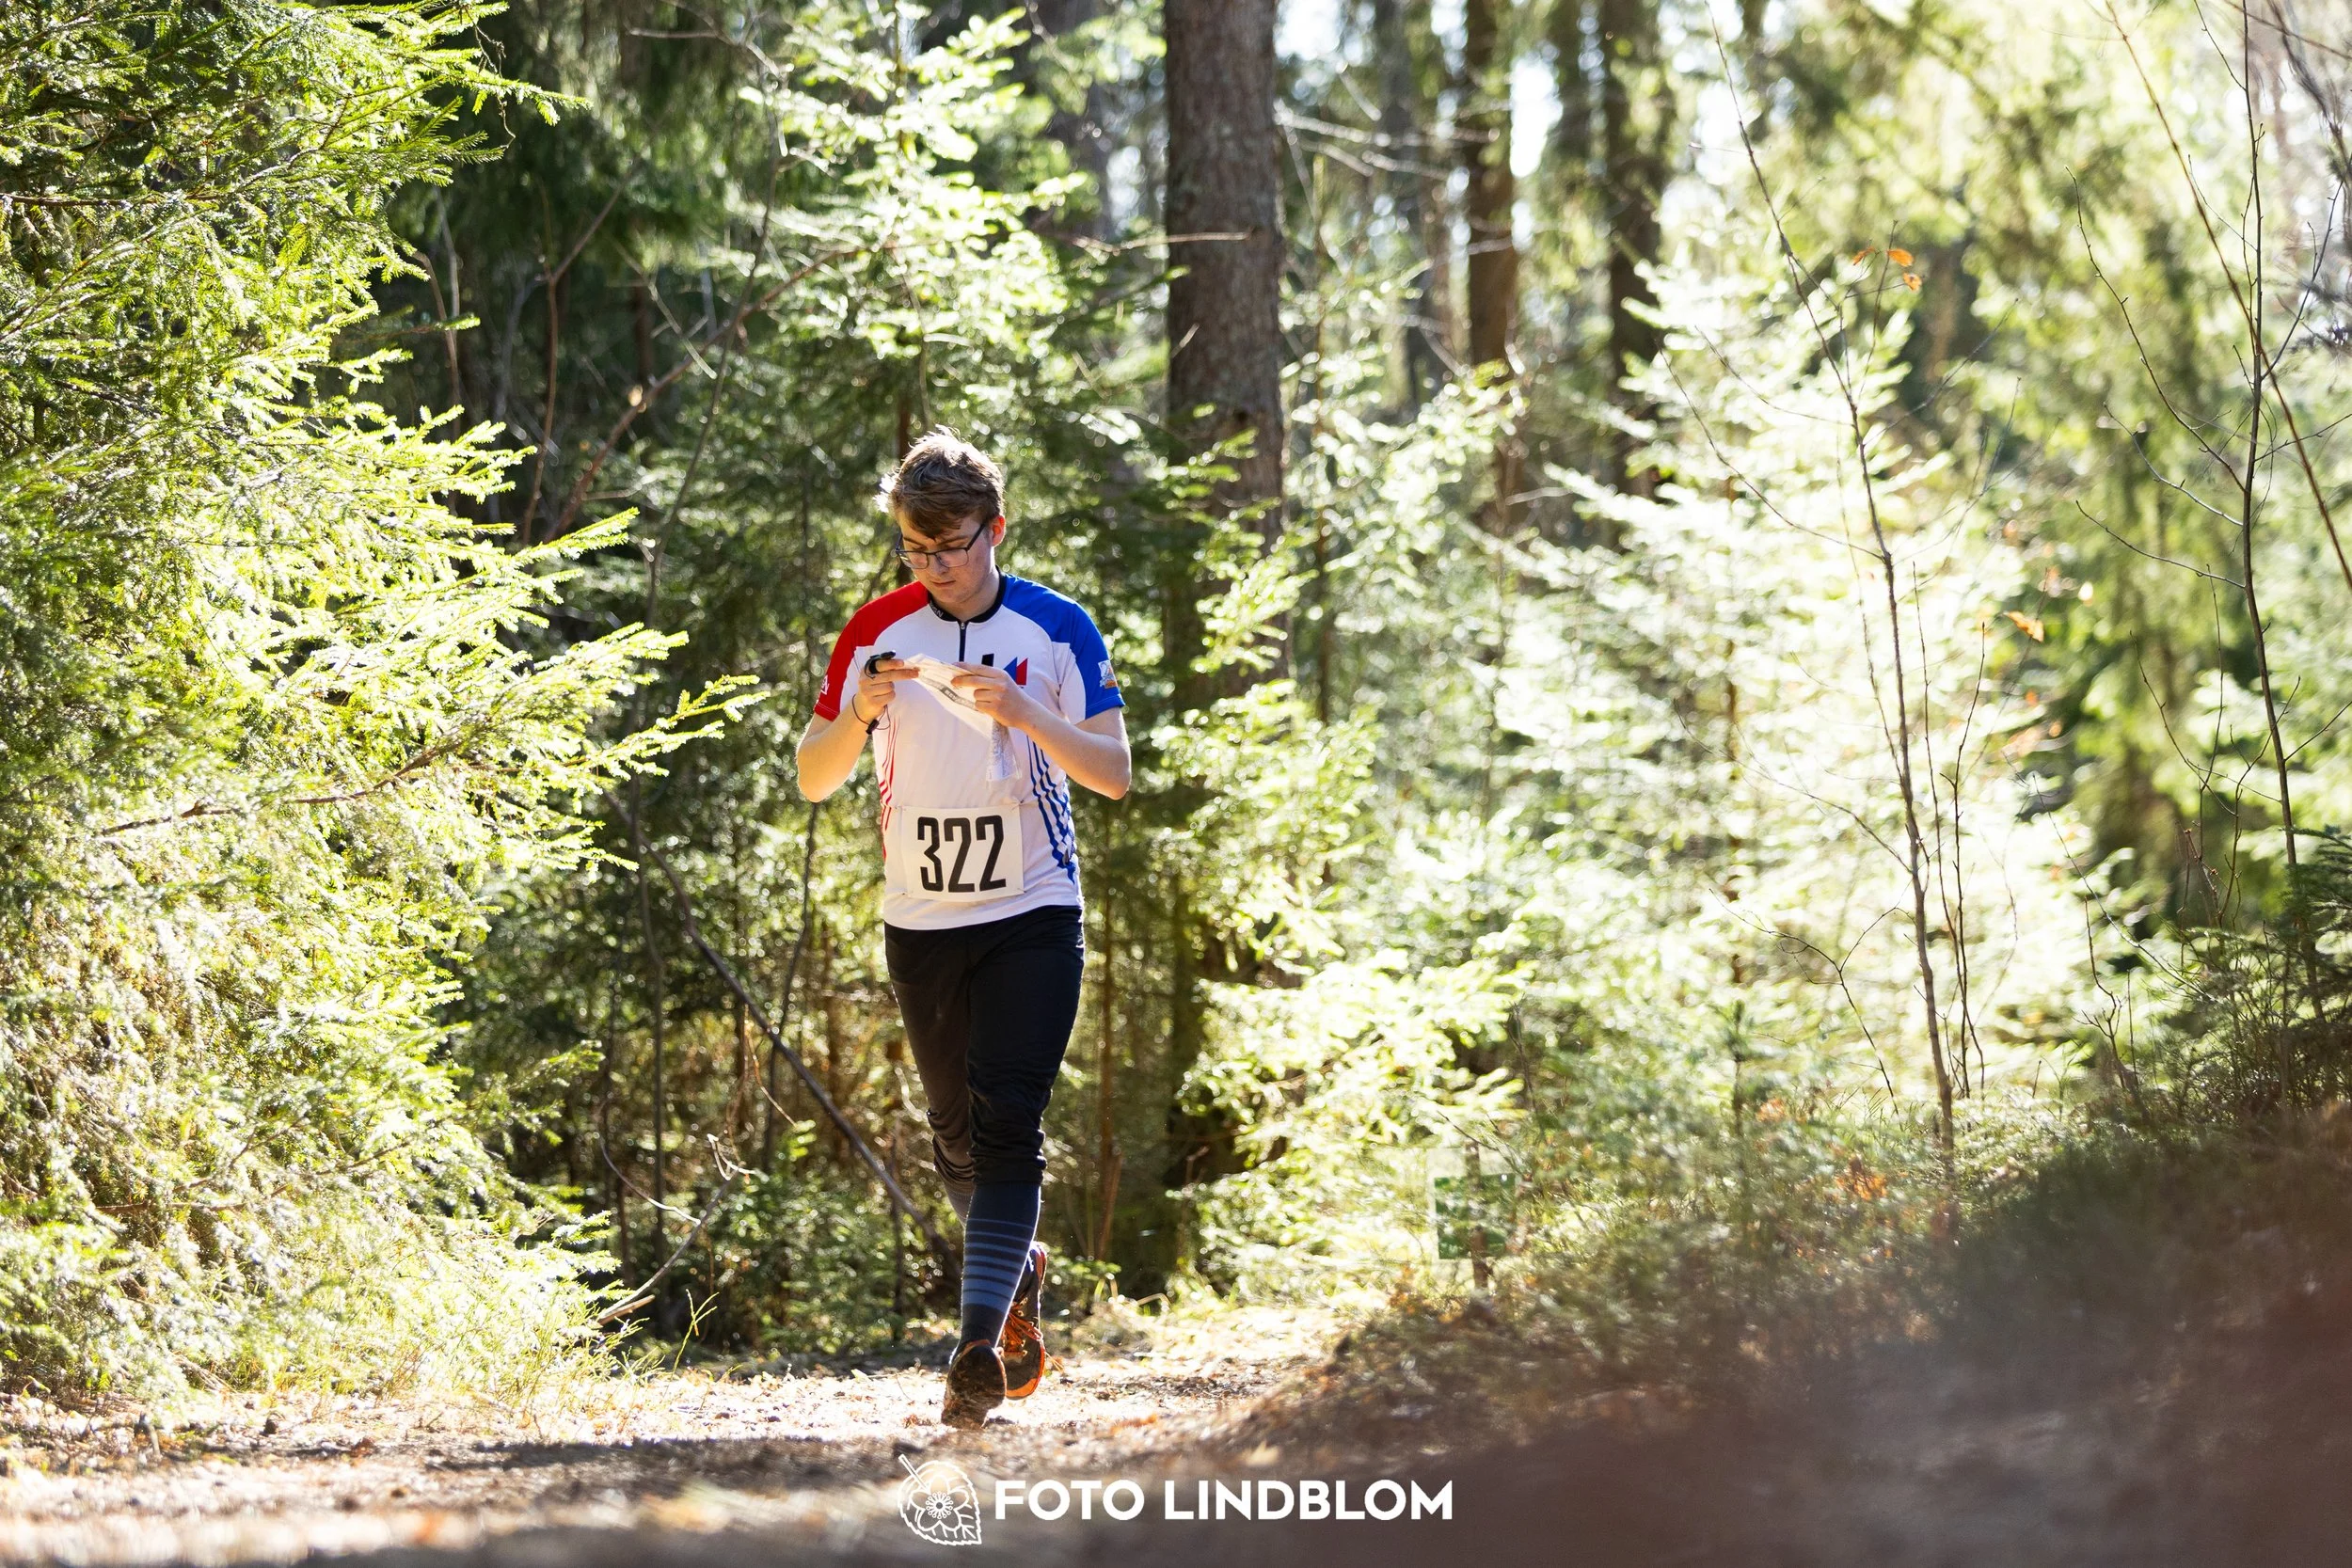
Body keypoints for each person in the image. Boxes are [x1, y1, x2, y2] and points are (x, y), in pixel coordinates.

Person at [795, 430, 1130, 1430]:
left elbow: (1112, 771)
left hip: (1033, 906)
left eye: (951, 545)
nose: (934, 568)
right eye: (914, 547)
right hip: (923, 917)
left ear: (997, 529)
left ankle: (975, 1344)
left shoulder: (1058, 627)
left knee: (1008, 1117)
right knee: (956, 1141)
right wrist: (856, 712)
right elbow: (815, 778)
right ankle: (1016, 1266)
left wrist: (1027, 711)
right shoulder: (874, 629)